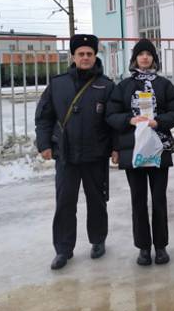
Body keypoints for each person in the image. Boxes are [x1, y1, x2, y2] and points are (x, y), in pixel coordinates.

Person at [35, 34, 116, 270]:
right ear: (73, 56)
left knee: (97, 201)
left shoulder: (106, 85)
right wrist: (44, 144)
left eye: (89, 54)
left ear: (95, 56)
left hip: (96, 154)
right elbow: (44, 117)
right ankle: (63, 249)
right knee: (65, 203)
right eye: (81, 54)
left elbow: (112, 122)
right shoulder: (58, 84)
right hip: (66, 155)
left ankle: (98, 240)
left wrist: (115, 149)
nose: (85, 58)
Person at [106, 38, 174, 266]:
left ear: (154, 59)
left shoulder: (163, 85)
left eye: (148, 54)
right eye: (140, 54)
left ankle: (160, 247)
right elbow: (111, 115)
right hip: (133, 151)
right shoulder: (124, 86)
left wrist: (158, 122)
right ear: (134, 59)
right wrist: (129, 119)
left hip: (159, 149)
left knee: (159, 199)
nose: (144, 58)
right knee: (138, 200)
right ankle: (143, 247)